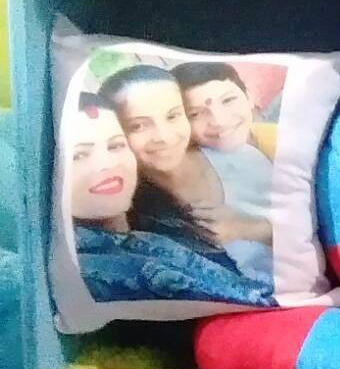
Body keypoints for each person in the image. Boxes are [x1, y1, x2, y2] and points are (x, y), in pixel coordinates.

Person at [66, 94, 274, 307]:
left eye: (115, 146)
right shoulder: (89, 273)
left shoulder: (158, 221)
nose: (107, 164)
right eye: (78, 155)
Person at [99, 63, 273, 281]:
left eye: (173, 116)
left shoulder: (239, 157)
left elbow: (305, 231)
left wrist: (249, 228)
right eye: (138, 126)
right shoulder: (131, 216)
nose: (164, 136)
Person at [173, 62, 276, 279]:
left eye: (228, 100)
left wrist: (248, 228)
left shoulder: (282, 140)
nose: (218, 120)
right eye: (195, 114)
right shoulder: (197, 169)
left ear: (249, 97)